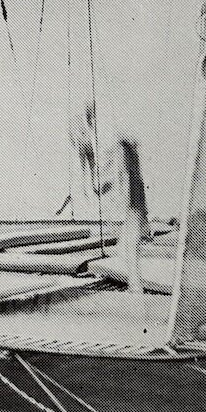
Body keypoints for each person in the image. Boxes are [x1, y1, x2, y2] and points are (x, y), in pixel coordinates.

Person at [69, 103, 149, 297]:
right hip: (132, 205)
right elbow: (111, 180)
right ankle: (135, 285)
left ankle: (135, 286)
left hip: (132, 205)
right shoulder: (127, 164)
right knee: (129, 246)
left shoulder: (126, 163)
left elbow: (119, 183)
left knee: (130, 246)